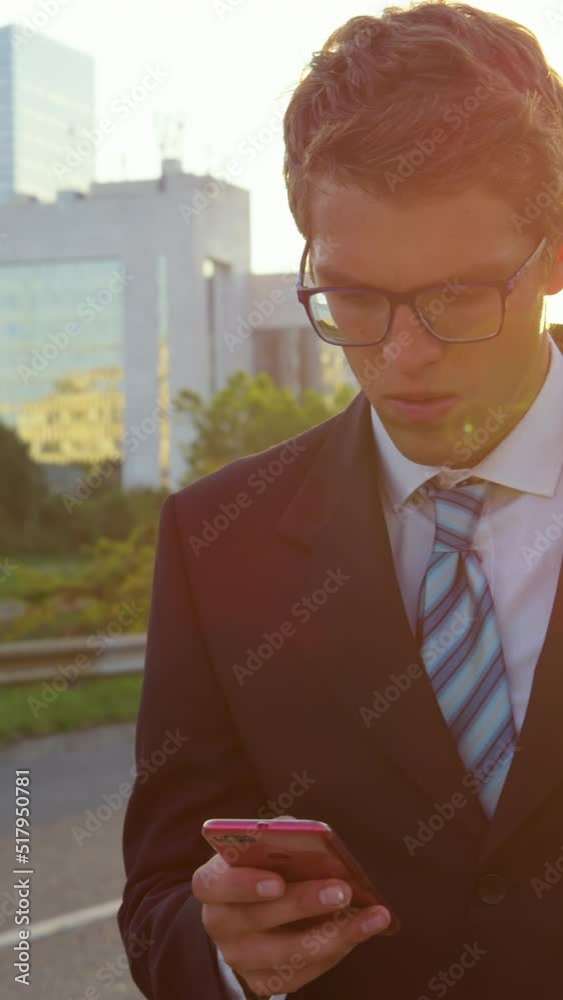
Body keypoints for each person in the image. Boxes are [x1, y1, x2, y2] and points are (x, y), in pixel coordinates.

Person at [118, 2, 563, 997]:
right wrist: (227, 957)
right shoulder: (215, 541)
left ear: (554, 254)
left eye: (455, 298)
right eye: (352, 298)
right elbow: (154, 905)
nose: (400, 357)